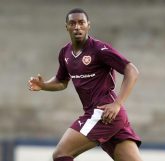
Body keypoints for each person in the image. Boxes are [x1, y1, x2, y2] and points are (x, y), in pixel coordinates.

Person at [28, 8, 143, 161]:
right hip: (110, 117)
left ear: (88, 25)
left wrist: (117, 103)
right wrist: (44, 86)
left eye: (81, 23)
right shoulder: (65, 53)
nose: (77, 27)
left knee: (61, 154)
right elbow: (62, 81)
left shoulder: (99, 49)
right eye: (72, 23)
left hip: (103, 112)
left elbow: (132, 71)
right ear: (66, 27)